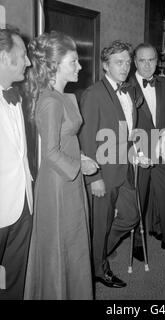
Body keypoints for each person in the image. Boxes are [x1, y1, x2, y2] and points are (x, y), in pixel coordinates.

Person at [24, 31, 96, 300]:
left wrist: (82, 158)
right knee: (61, 243)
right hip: (57, 183)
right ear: (54, 65)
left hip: (69, 176)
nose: (80, 66)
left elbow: (65, 142)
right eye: (74, 61)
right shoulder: (50, 101)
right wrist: (80, 166)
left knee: (73, 240)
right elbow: (51, 153)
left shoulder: (63, 96)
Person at [79, 40, 140, 288]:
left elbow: (127, 132)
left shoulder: (129, 90)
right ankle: (98, 268)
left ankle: (96, 252)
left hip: (123, 168)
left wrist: (136, 151)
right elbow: (87, 138)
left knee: (130, 216)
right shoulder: (94, 93)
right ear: (105, 65)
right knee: (100, 224)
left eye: (127, 62)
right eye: (118, 62)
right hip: (102, 171)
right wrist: (95, 178)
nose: (125, 67)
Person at [128, 43, 165, 262]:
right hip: (140, 152)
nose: (148, 64)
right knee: (139, 198)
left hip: (162, 151)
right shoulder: (127, 85)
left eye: (152, 60)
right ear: (135, 62)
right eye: (142, 60)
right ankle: (138, 243)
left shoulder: (162, 83)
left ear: (157, 61)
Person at [0, 28, 33, 300]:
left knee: (15, 277)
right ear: (3, 57)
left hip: (23, 202)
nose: (29, 61)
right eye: (22, 55)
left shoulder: (16, 96)